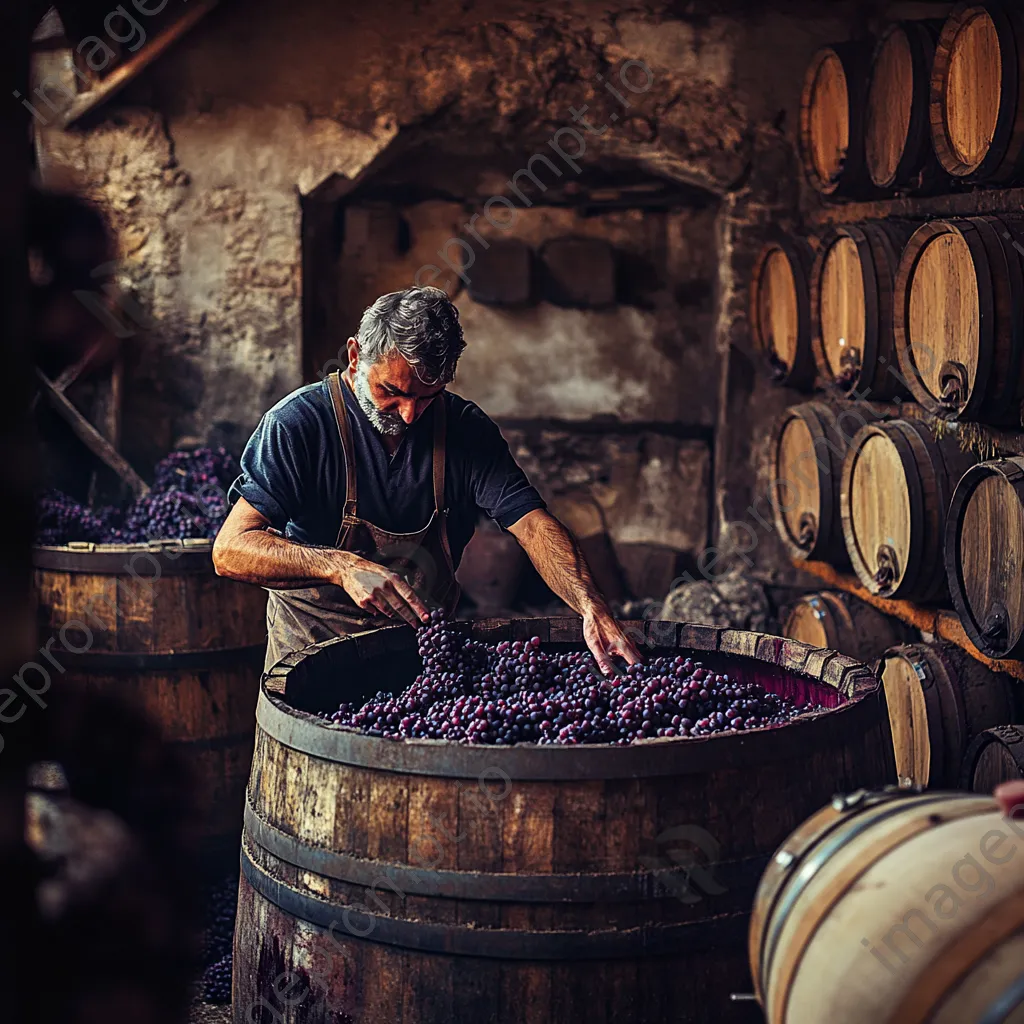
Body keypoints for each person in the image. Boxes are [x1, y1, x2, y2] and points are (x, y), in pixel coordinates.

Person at [213, 285, 642, 675]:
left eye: (425, 397)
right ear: (355, 355)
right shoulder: (298, 424)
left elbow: (532, 524)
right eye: (390, 392)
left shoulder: (465, 430)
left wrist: (590, 604)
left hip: (421, 660)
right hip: (313, 661)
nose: (407, 414)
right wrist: (341, 566)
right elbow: (230, 549)